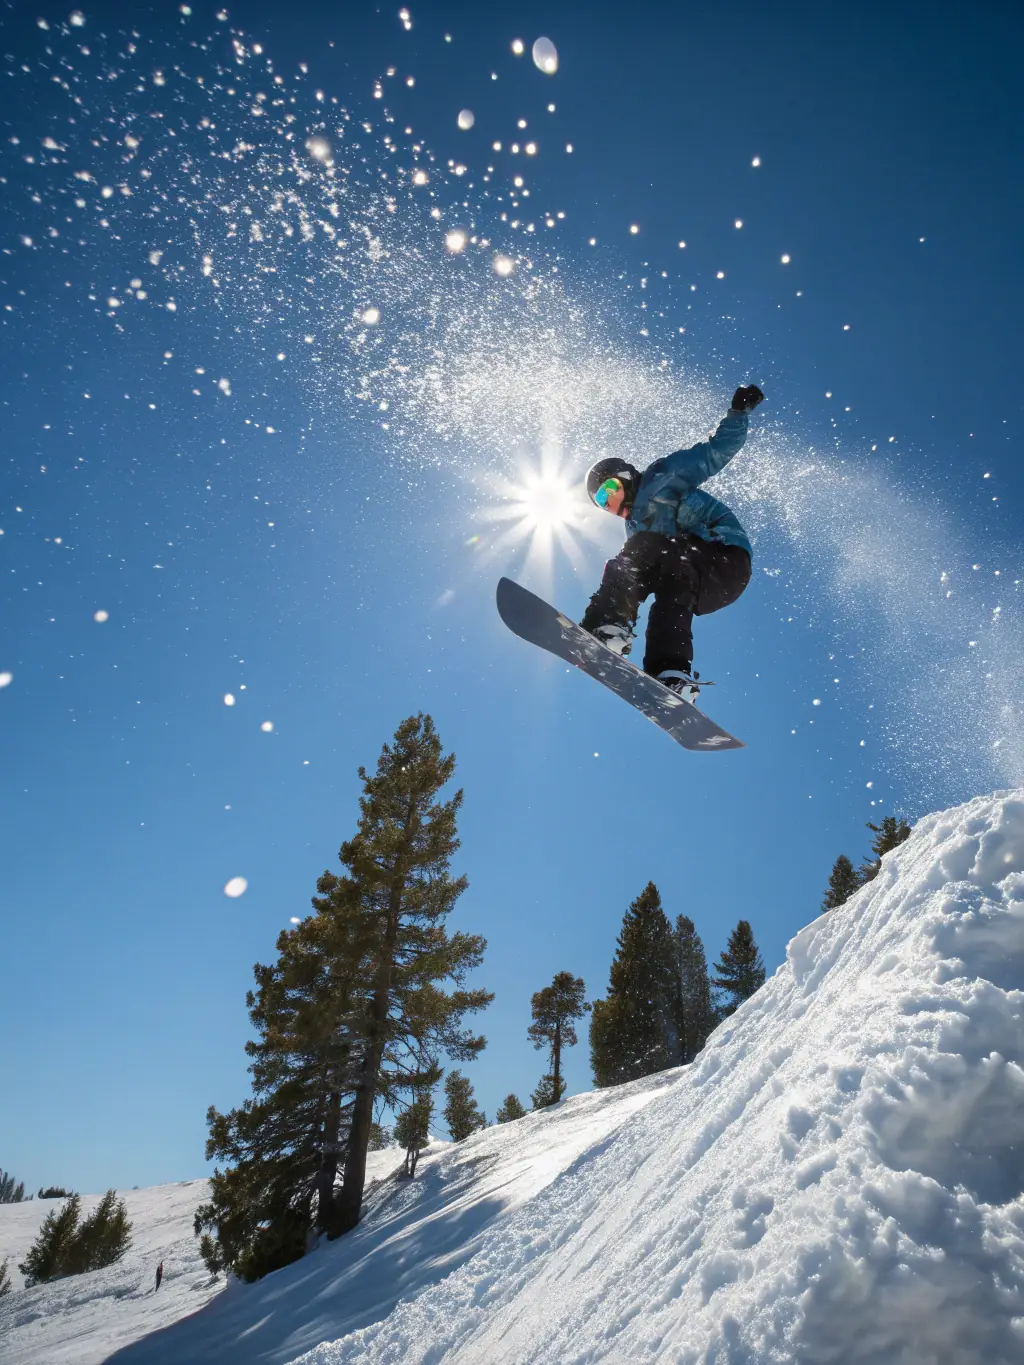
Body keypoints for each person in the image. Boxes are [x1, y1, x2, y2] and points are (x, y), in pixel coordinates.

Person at [580, 385, 763, 701]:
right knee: (665, 590)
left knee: (641, 551)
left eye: (609, 489)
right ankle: (671, 674)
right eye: (601, 501)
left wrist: (738, 412)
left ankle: (609, 624)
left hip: (725, 557)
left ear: (625, 475)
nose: (610, 502)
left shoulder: (663, 476)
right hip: (694, 574)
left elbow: (715, 451)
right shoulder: (636, 530)